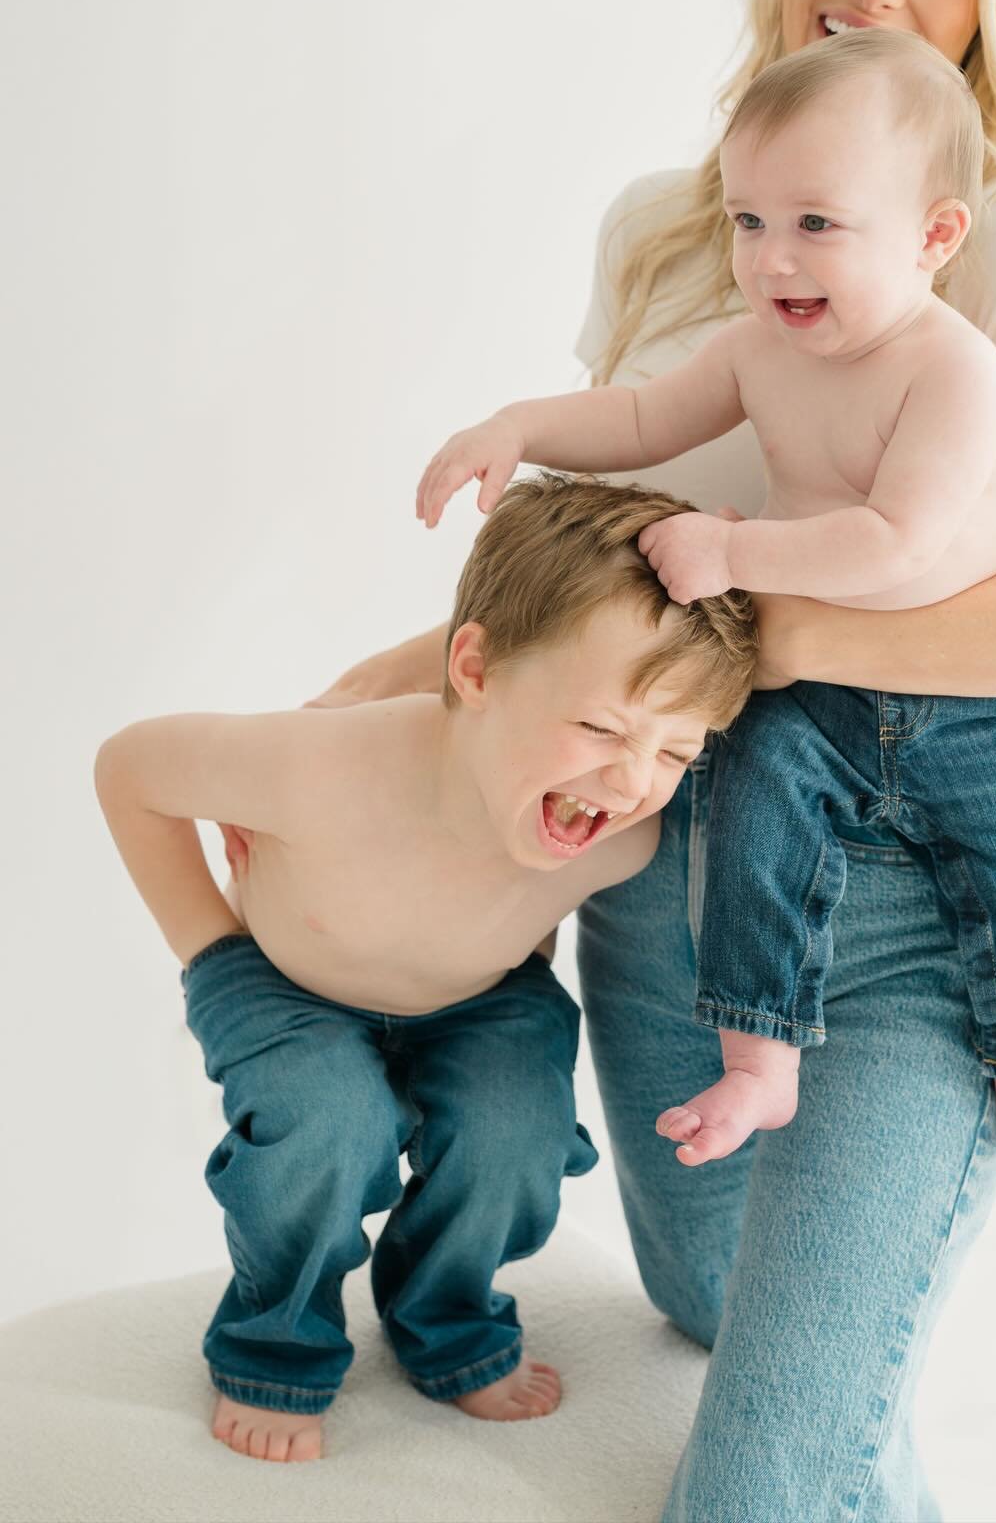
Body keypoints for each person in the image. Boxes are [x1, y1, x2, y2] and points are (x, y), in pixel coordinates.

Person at [305, 0, 996, 1521]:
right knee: (728, 1319)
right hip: (670, 900)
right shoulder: (679, 231)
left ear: (995, 9)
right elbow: (599, 579)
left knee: (769, 1470)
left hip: (898, 915)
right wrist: (417, 682)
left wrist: (761, 623)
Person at [416, 28, 996, 1183]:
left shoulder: (952, 369)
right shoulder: (759, 349)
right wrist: (520, 427)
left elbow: (897, 544)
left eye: (815, 224)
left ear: (936, 237)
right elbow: (647, 421)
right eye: (748, 221)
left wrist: (734, 548)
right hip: (808, 694)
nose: (771, 259)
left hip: (967, 702)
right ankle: (760, 1060)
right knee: (749, 839)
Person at [95, 475, 756, 1466]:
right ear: (474, 671)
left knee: (514, 1134)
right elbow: (130, 768)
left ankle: (447, 1318)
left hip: (481, 997)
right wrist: (209, 950)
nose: (631, 780)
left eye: (677, 750)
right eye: (602, 729)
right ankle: (275, 1346)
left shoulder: (623, 837)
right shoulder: (316, 766)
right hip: (287, 984)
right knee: (327, 1129)